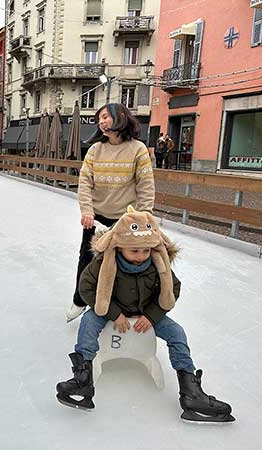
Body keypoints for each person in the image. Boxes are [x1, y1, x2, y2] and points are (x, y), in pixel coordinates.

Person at [56, 206, 235, 423]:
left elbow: (173, 289)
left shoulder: (157, 265)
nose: (141, 256)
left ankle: (191, 392)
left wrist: (152, 315)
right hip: (110, 311)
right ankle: (83, 377)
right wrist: (114, 313)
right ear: (120, 246)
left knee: (177, 332)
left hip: (145, 314)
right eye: (135, 251)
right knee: (88, 321)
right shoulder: (104, 262)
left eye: (146, 251)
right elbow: (86, 287)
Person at [67, 103, 155, 322]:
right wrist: (87, 210)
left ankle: (115, 306)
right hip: (97, 218)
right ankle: (80, 299)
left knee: (122, 263)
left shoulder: (137, 149)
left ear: (121, 117)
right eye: (99, 119)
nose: (101, 122)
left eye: (105, 117)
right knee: (87, 258)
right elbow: (85, 182)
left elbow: (145, 185)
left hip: (126, 219)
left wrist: (143, 216)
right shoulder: (95, 150)